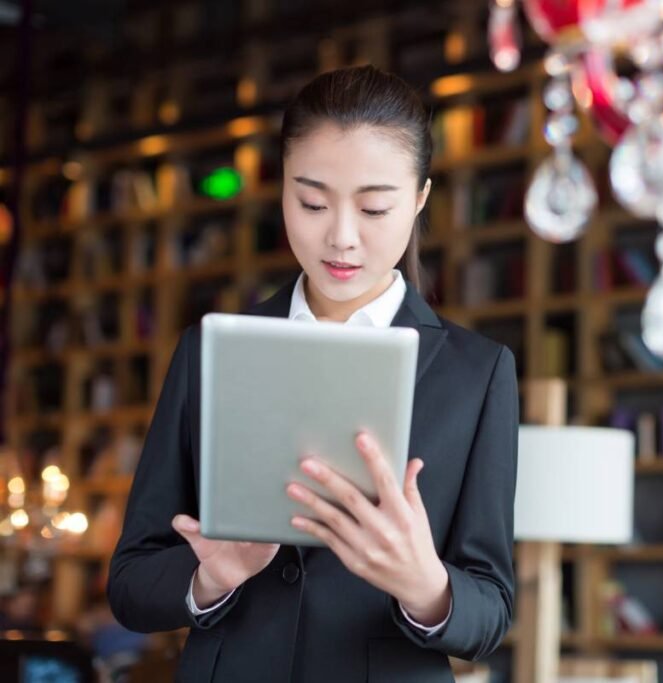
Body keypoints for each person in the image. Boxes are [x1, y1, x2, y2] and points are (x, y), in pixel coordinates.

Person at [107, 65, 519, 682]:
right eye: (312, 202)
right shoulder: (208, 350)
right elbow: (131, 583)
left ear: (420, 200)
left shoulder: (477, 373)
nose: (341, 237)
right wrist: (210, 577)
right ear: (282, 191)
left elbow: (491, 610)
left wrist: (425, 584)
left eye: (375, 207)